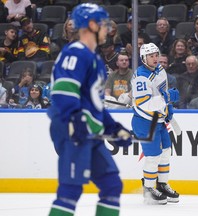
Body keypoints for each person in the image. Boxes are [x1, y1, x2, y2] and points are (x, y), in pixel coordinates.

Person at [47, 4, 132, 216]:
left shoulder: (94, 58)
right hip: (71, 129)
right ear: (92, 25)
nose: (108, 30)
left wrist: (114, 128)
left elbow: (94, 104)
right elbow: (63, 93)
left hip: (89, 131)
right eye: (104, 25)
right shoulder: (75, 53)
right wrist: (76, 122)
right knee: (70, 191)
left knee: (112, 185)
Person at [131, 43, 180, 205]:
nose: (154, 58)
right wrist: (167, 99)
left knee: (166, 151)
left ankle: (162, 183)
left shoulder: (160, 70)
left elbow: (163, 91)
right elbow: (145, 103)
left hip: (159, 119)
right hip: (145, 121)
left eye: (156, 55)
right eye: (150, 56)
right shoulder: (141, 76)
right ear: (143, 58)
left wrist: (169, 108)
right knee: (153, 156)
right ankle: (149, 188)